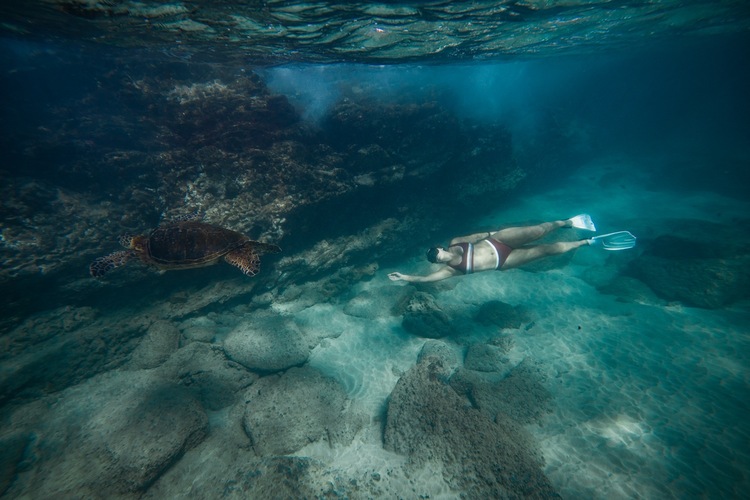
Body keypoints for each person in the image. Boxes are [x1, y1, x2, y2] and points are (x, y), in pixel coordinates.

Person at [388, 214, 599, 283]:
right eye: (435, 260)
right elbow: (426, 280)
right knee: (546, 250)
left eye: (436, 253)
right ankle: (586, 242)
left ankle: (567, 222)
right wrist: (404, 277)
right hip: (503, 261)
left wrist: (498, 233)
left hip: (497, 240)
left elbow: (478, 235)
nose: (438, 258)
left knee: (539, 230)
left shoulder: (456, 241)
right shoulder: (452, 270)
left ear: (439, 248)